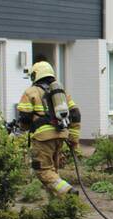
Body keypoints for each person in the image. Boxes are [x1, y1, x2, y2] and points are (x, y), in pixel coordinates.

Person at [17, 61, 81, 197]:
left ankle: (69, 192)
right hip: (60, 135)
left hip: (42, 138)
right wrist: (74, 140)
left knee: (42, 170)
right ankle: (58, 205)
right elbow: (75, 115)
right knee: (53, 172)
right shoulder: (61, 93)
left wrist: (23, 127)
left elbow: (25, 117)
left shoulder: (31, 92)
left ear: (35, 75)